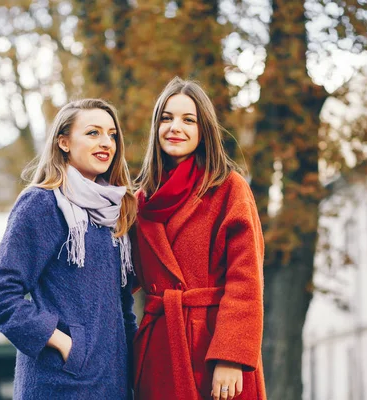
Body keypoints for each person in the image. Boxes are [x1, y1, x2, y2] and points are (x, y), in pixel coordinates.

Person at [0, 99, 138, 399]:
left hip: (112, 386)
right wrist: (64, 343)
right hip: (59, 385)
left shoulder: (115, 211)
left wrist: (133, 369)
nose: (106, 142)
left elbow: (122, 306)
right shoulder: (42, 205)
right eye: (93, 133)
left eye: (112, 134)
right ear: (63, 142)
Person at [132, 77, 266, 400]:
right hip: (161, 356)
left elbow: (246, 280)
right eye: (167, 118)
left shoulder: (229, 189)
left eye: (187, 119)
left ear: (203, 129)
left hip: (216, 353)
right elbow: (122, 278)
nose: (175, 127)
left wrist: (231, 356)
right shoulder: (141, 200)